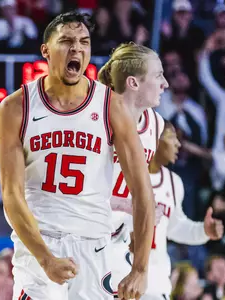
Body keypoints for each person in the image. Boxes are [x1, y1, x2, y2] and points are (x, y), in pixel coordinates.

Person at [0, 11, 156, 300]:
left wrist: (141, 269)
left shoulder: (111, 106)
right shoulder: (15, 108)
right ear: (46, 50)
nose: (77, 49)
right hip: (38, 243)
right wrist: (45, 259)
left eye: (84, 42)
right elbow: (11, 195)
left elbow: (143, 192)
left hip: (93, 246)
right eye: (67, 41)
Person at [96, 42, 167, 297]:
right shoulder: (96, 120)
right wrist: (128, 205)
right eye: (158, 75)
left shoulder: (155, 123)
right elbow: (77, 193)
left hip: (117, 239)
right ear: (134, 83)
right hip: (82, 239)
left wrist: (144, 210)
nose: (165, 84)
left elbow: (137, 185)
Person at [128, 122, 224, 300]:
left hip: (155, 281)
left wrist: (203, 231)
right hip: (122, 273)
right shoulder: (126, 174)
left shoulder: (173, 182)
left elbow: (175, 227)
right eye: (173, 138)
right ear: (154, 139)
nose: (178, 144)